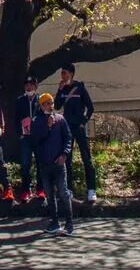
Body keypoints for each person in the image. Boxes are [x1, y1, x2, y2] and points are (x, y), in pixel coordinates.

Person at [30, 92, 74, 237]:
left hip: (59, 163)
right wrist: (47, 127)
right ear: (41, 106)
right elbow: (36, 140)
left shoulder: (60, 120)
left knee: (63, 192)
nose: (50, 106)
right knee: (49, 195)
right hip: (44, 164)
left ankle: (69, 223)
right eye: (47, 103)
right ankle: (54, 222)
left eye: (51, 103)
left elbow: (68, 138)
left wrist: (64, 155)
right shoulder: (36, 121)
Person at [55, 63, 98, 202]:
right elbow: (57, 106)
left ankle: (91, 190)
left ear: (72, 74)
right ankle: (69, 190)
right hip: (67, 128)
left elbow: (90, 107)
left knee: (86, 158)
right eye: (62, 73)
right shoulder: (63, 89)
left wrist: (83, 122)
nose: (63, 75)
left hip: (79, 128)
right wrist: (59, 90)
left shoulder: (80, 88)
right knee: (67, 159)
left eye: (65, 73)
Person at [11, 77, 40, 200]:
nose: (29, 87)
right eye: (26, 85)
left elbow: (45, 116)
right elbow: (16, 119)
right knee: (25, 163)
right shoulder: (20, 100)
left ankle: (40, 189)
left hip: (38, 137)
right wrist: (20, 134)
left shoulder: (40, 99)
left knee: (40, 162)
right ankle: (25, 190)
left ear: (36, 86)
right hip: (25, 137)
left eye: (31, 85)